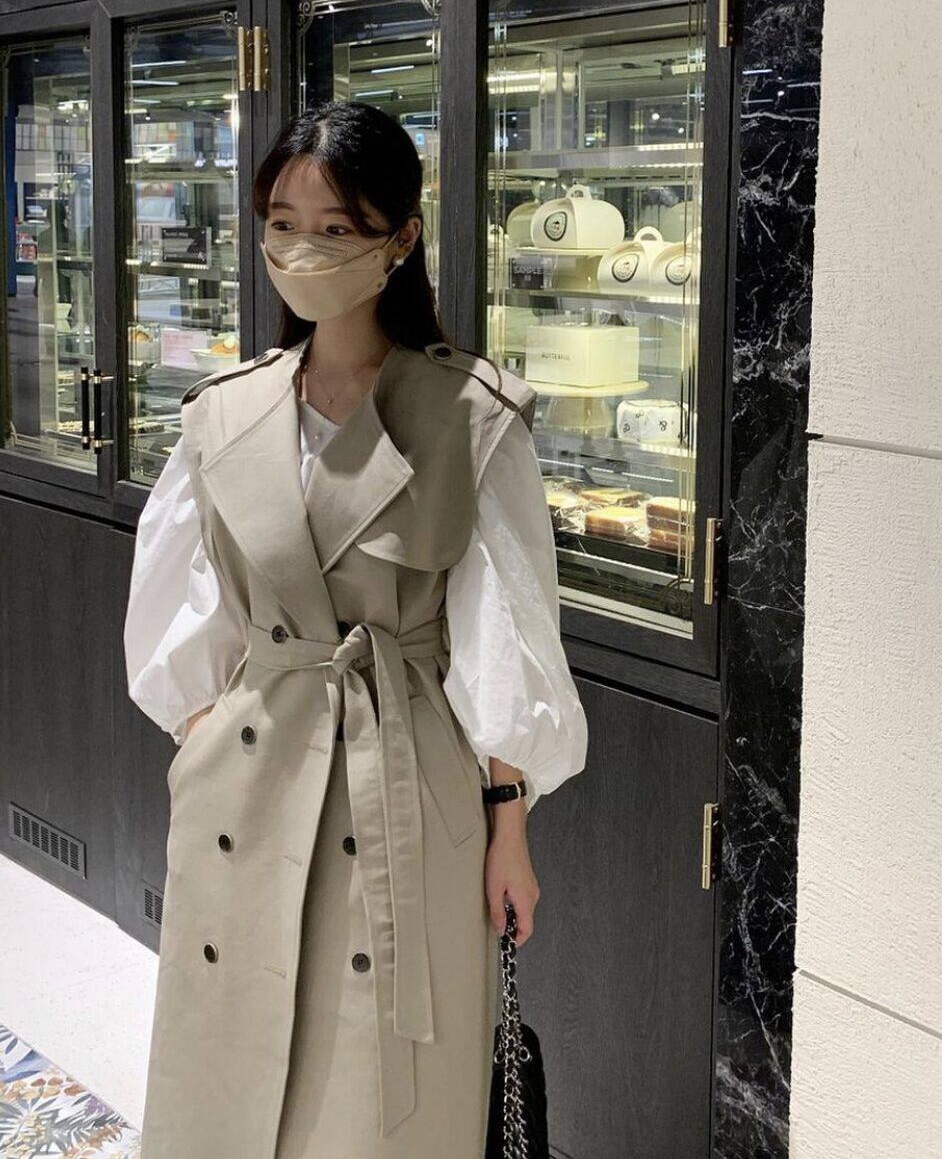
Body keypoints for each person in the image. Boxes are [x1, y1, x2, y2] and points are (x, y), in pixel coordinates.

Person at [123, 99, 588, 1158]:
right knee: (227, 1074)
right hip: (249, 779)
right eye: (282, 222)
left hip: (407, 790)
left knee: (381, 1094)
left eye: (336, 227)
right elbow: (175, 610)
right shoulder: (225, 411)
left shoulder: (470, 415)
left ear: (400, 237)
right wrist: (208, 738)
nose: (303, 249)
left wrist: (510, 827)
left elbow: (505, 637)